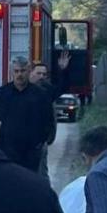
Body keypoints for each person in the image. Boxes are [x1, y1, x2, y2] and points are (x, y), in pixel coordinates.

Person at [0, 56, 54, 173]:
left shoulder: (40, 94)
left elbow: (48, 119)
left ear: (29, 71)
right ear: (11, 72)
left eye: (22, 71)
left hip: (32, 151)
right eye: (16, 71)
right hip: (7, 149)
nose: (19, 75)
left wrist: (40, 142)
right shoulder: (1, 94)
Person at [29, 54, 71, 182]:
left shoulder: (47, 91)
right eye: (38, 73)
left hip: (40, 141)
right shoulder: (21, 91)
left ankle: (45, 197)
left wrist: (63, 70)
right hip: (20, 141)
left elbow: (62, 88)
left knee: (41, 172)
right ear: (30, 74)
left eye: (44, 74)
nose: (41, 77)